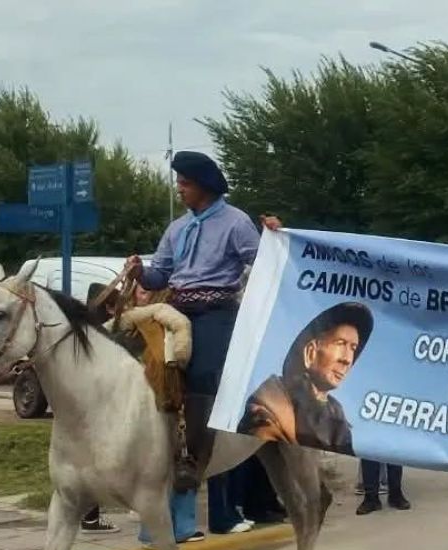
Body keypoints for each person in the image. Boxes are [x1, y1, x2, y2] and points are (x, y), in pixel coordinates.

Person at [123, 151, 271, 492]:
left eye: (185, 183)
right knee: (147, 367)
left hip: (216, 312)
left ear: (204, 186)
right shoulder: (177, 228)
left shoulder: (236, 222)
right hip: (175, 310)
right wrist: (139, 271)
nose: (179, 189)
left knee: (202, 373)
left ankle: (195, 459)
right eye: (179, 182)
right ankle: (148, 446)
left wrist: (273, 238)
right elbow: (159, 275)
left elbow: (263, 262)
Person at [237, 302, 373, 454]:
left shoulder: (338, 421)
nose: (347, 359)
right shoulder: (270, 404)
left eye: (353, 348)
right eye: (340, 343)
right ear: (310, 352)